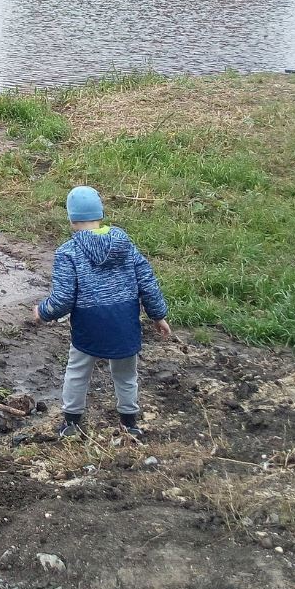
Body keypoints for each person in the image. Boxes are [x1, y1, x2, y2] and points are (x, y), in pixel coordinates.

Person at [32, 186, 171, 440]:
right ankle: (129, 424)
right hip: (124, 321)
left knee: (77, 372)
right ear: (101, 214)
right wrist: (158, 315)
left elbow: (63, 299)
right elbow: (147, 282)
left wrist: (43, 312)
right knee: (126, 375)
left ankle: (71, 423)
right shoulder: (124, 244)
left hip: (90, 324)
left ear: (71, 219)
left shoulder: (68, 252)